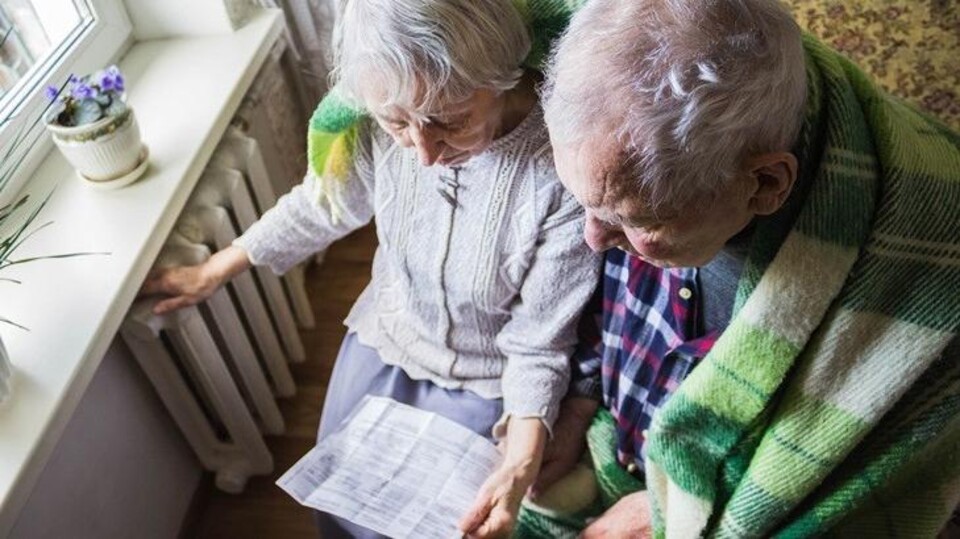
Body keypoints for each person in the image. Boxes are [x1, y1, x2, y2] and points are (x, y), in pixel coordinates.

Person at [141, 0, 599, 537]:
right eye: (398, 123)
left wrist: (520, 462)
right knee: (339, 507)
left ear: (502, 76)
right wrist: (213, 270)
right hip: (387, 341)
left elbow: (538, 341)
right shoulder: (378, 119)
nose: (424, 152)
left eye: (449, 121)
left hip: (490, 382)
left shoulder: (565, 168)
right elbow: (322, 205)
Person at [519, 0, 960, 537]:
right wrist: (577, 404)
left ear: (766, 184)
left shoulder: (928, 266)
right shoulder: (631, 154)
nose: (593, 239)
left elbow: (842, 482)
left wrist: (664, 513)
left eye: (637, 220)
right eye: (585, 204)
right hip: (612, 444)